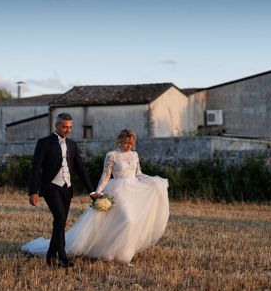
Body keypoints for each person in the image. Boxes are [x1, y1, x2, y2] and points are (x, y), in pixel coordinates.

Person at [22, 129, 169, 264]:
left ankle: (122, 253)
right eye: (125, 142)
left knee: (133, 222)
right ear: (119, 141)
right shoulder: (111, 155)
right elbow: (105, 176)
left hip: (134, 189)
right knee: (128, 220)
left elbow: (138, 174)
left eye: (131, 143)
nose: (128, 146)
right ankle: (110, 251)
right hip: (118, 190)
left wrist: (153, 181)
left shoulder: (135, 155)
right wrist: (96, 193)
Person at [27, 112, 94, 268]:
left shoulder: (72, 144)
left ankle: (51, 254)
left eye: (70, 127)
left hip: (67, 188)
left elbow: (81, 169)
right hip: (51, 187)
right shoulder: (44, 143)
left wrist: (91, 191)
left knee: (60, 222)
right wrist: (33, 191)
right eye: (64, 126)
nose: (68, 130)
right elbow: (36, 168)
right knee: (60, 217)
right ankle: (62, 257)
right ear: (56, 126)